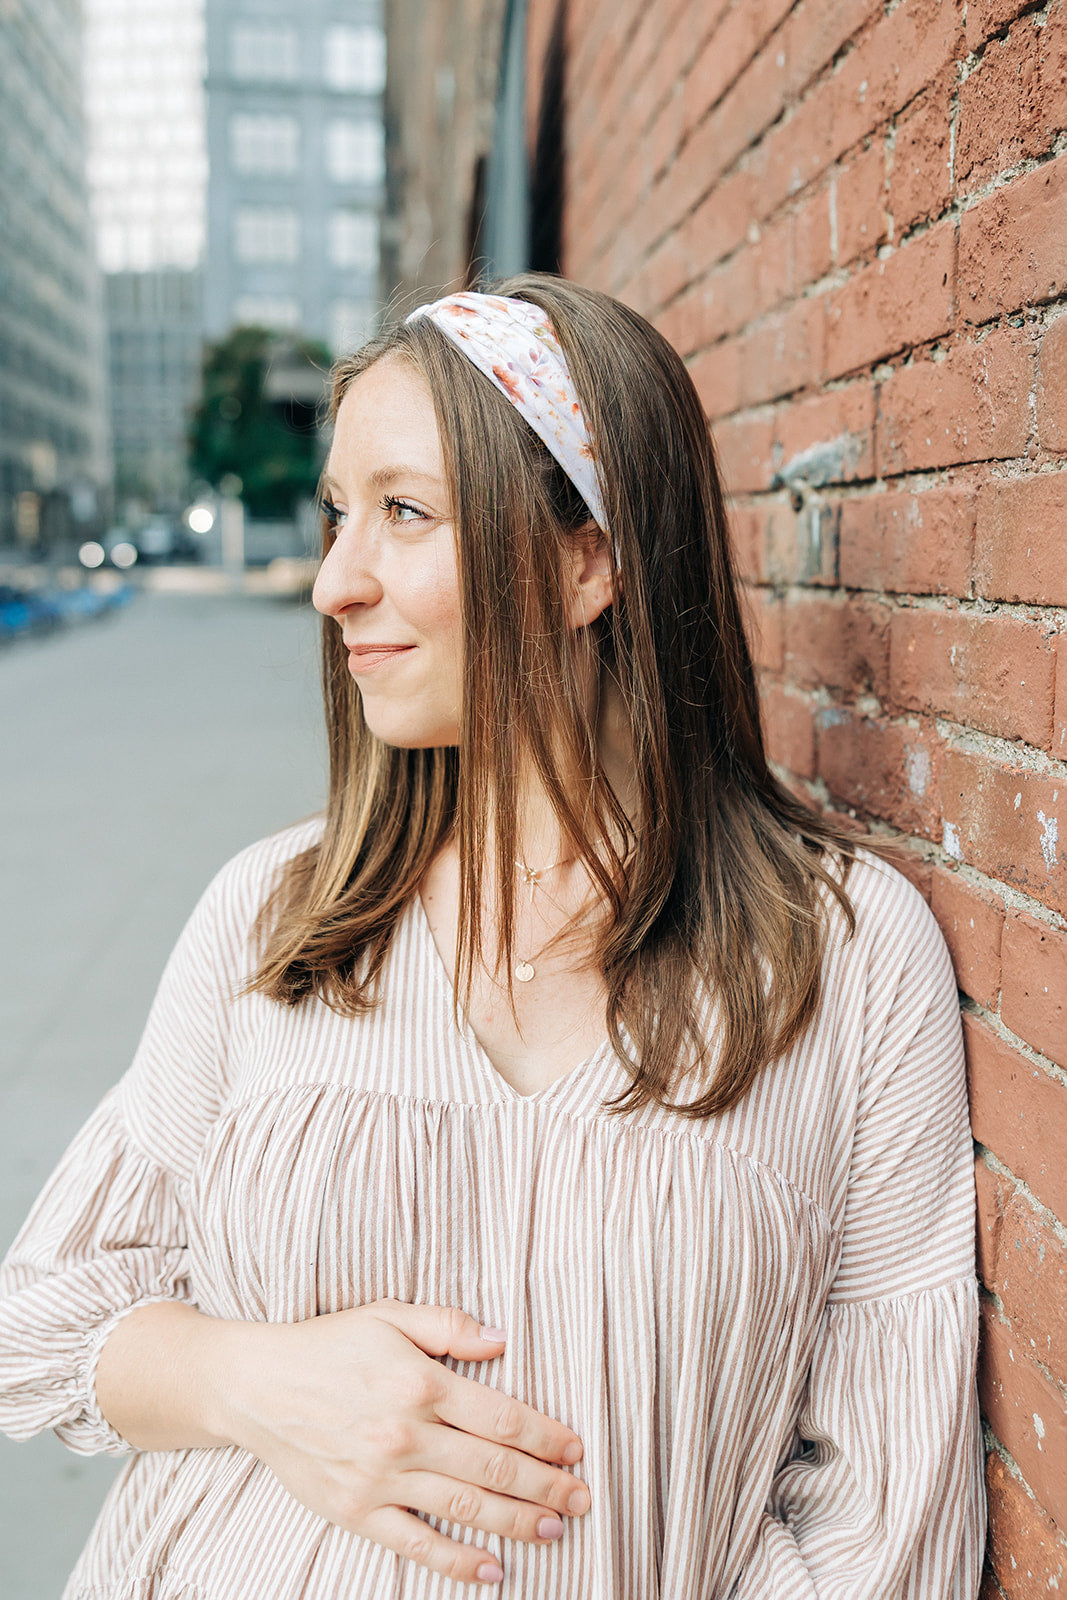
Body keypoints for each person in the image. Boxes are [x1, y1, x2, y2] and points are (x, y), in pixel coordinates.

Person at [0, 275, 984, 1598]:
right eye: (338, 513)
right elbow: (37, 1328)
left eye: (405, 513)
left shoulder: (846, 967)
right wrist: (259, 1383)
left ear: (592, 559)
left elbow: (888, 1527)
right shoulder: (275, 921)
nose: (336, 583)